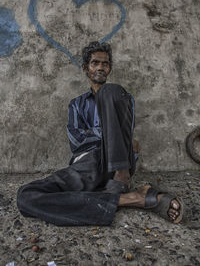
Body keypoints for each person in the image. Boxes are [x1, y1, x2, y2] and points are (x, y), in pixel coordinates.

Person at [17, 41, 183, 226]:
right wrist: (110, 135)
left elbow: (124, 132)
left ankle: (120, 176)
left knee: (109, 91)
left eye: (105, 64)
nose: (100, 67)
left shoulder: (122, 98)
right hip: (88, 164)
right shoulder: (76, 104)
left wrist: (96, 133)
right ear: (85, 68)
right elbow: (77, 141)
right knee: (26, 195)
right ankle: (131, 198)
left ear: (110, 68)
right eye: (95, 63)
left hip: (119, 162)